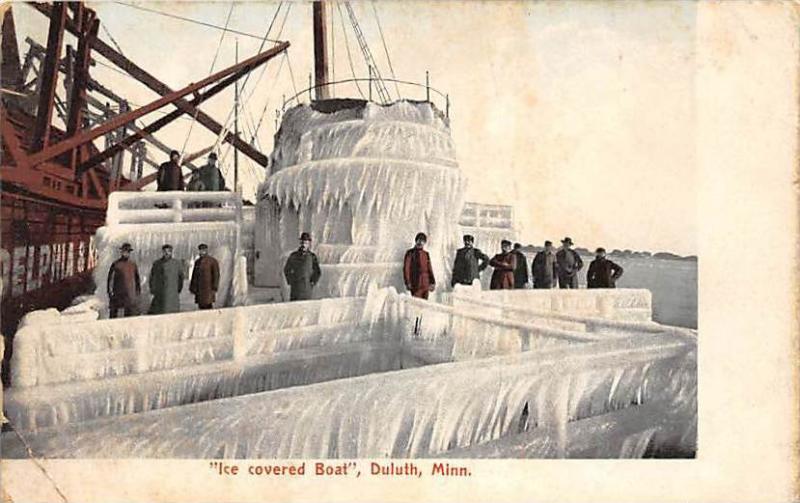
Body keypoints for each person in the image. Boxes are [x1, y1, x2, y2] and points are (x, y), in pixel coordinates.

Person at [283, 232, 321, 301]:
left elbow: (317, 271)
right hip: (296, 289)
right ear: (300, 243)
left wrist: (312, 282)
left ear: (309, 244)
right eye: (302, 243)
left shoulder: (312, 257)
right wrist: (291, 281)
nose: (304, 245)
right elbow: (286, 269)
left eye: (306, 243)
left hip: (307, 288)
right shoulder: (293, 256)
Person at [107, 243, 141, 318]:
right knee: (114, 316)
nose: (126, 253)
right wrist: (111, 294)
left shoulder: (133, 264)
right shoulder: (116, 264)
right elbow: (110, 280)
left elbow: (137, 279)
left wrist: (137, 293)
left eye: (128, 252)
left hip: (130, 295)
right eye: (124, 251)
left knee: (129, 318)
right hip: (118, 295)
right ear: (121, 252)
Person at [148, 244, 184, 314]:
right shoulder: (157, 264)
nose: (167, 253)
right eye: (165, 251)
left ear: (171, 252)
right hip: (160, 295)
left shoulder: (176, 264)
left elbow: (181, 278)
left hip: (172, 295)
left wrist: (178, 289)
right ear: (162, 252)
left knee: (172, 314)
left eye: (169, 251)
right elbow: (152, 278)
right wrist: (152, 289)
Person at [403, 232, 436, 299]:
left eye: (423, 241)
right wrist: (408, 282)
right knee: (417, 304)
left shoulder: (426, 254)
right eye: (419, 240)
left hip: (425, 283)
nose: (420, 242)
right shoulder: (410, 253)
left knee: (425, 304)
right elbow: (406, 268)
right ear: (416, 241)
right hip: (415, 283)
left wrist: (432, 282)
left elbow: (429, 268)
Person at [189, 244, 220, 309]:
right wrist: (192, 287)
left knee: (208, 306)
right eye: (200, 250)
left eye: (203, 250)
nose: (202, 252)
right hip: (199, 290)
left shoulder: (212, 261)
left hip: (208, 289)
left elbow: (216, 275)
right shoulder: (197, 262)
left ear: (206, 250)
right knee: (201, 306)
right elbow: (194, 276)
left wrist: (214, 287)